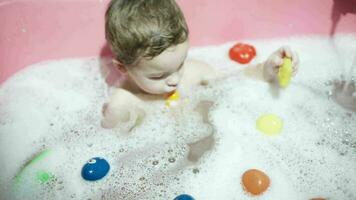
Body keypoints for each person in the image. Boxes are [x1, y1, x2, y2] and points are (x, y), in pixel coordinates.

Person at [101, 0, 299, 130]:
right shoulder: (123, 102)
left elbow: (234, 79)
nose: (175, 80)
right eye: (158, 76)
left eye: (180, 64)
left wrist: (266, 70)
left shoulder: (193, 72)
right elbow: (116, 144)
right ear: (123, 68)